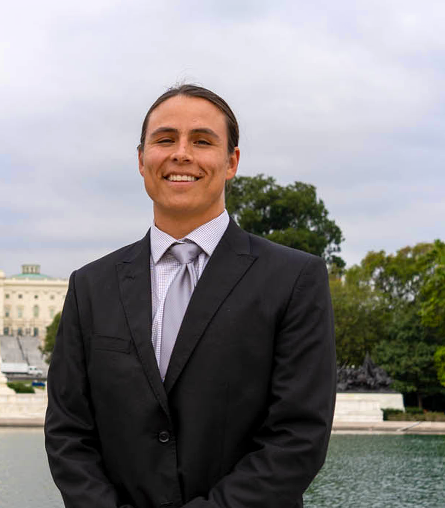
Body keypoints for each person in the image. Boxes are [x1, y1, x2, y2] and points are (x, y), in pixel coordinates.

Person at [45, 84, 335, 508]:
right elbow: (68, 432)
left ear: (232, 161)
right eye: (164, 140)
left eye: (202, 141)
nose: (181, 154)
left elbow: (297, 437)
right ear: (141, 160)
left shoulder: (294, 279)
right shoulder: (90, 286)